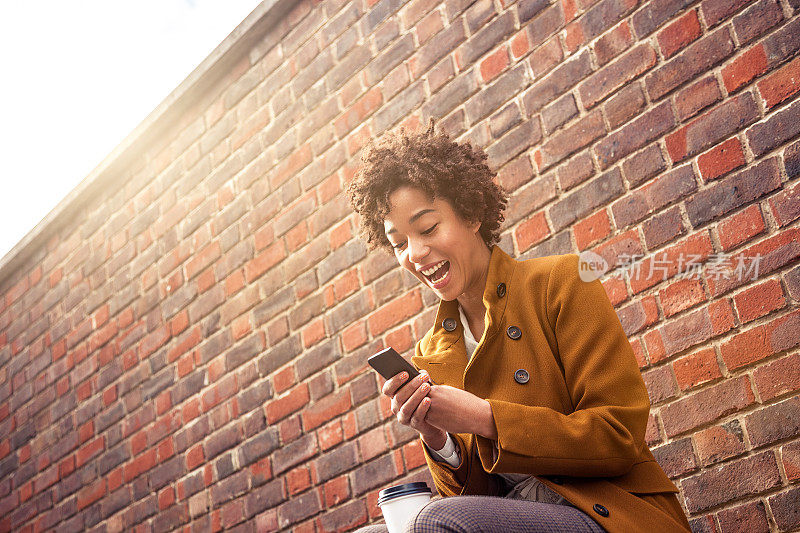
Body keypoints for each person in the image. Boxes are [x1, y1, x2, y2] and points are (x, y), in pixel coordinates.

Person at [345, 119, 691, 533]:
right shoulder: (433, 353)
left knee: (437, 519)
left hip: (606, 512)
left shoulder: (562, 282)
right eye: (399, 244)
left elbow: (618, 437)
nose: (415, 254)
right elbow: (471, 502)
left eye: (428, 228)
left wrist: (486, 418)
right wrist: (438, 440)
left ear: (471, 215)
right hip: (513, 515)